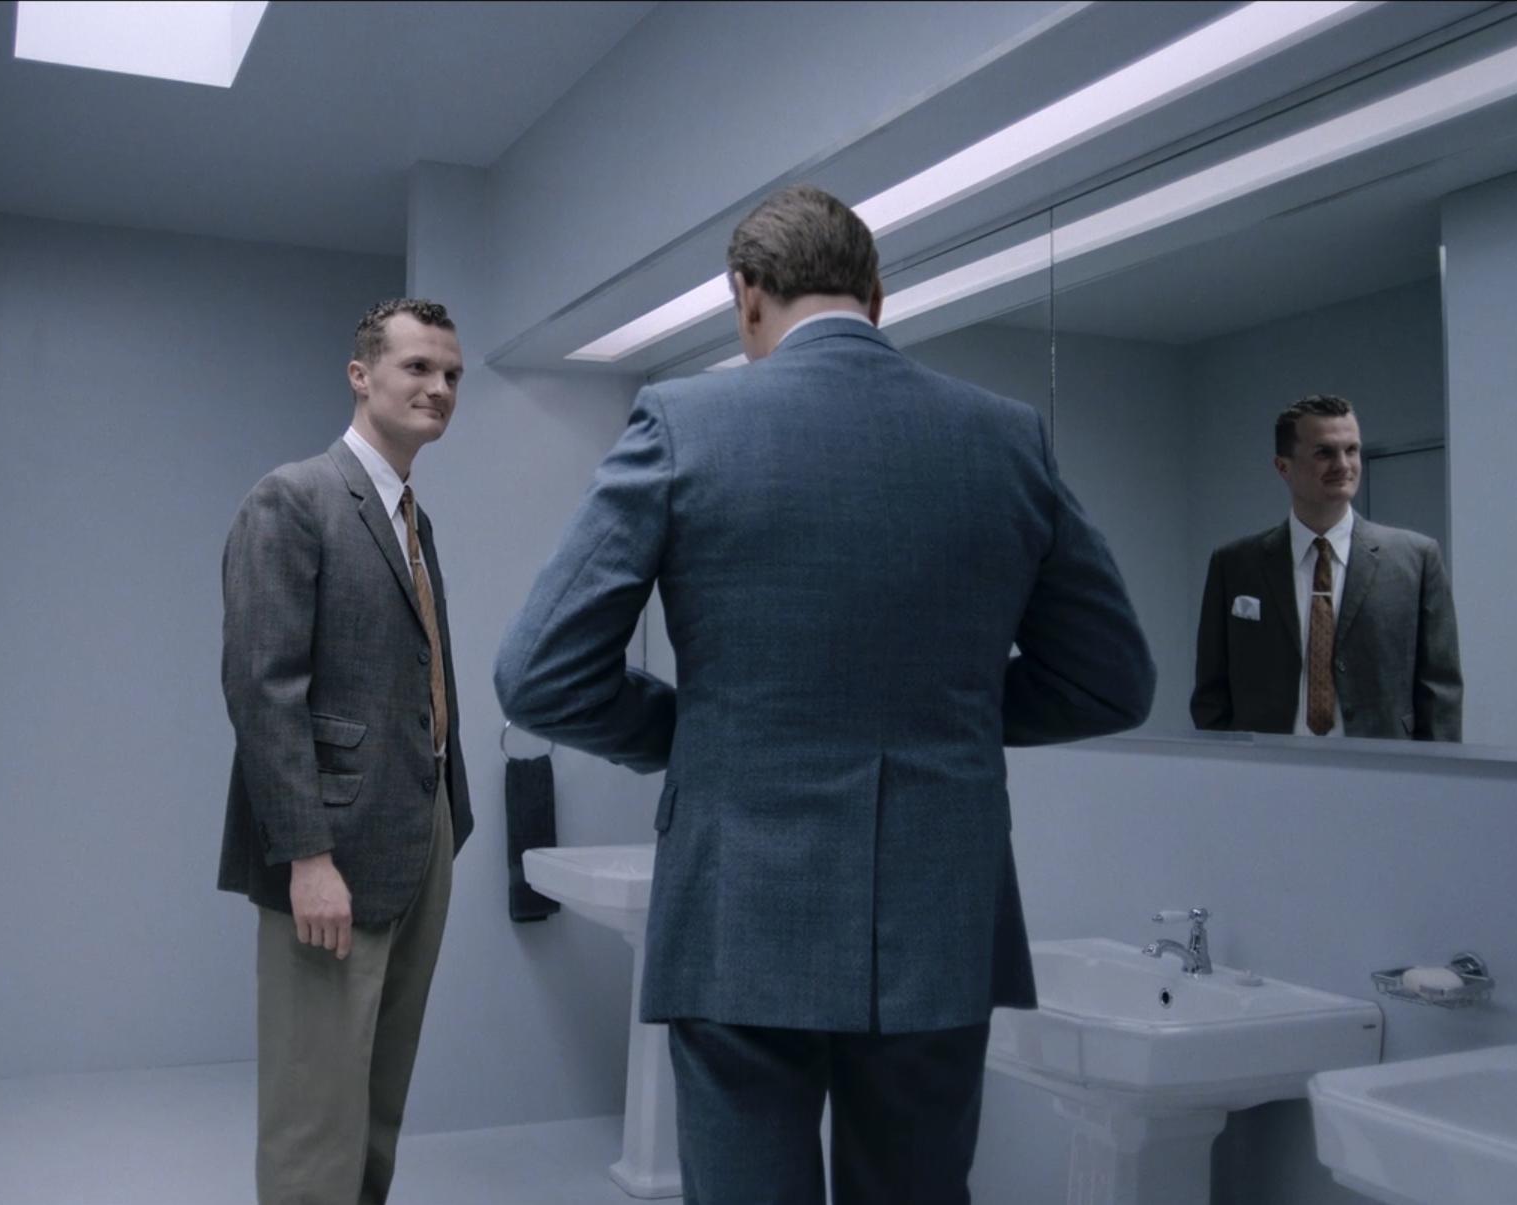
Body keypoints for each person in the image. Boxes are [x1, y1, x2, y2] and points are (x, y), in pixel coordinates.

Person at [494, 185, 1153, 1204]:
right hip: (939, 906)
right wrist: (952, 708)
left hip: (737, 906)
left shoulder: (683, 424)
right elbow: (1112, 680)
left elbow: (537, 672)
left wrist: (688, 729)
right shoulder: (1005, 436)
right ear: (876, 297)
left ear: (746, 295)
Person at [217, 298, 475, 1204]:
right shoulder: (293, 499)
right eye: (418, 367)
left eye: (452, 373)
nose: (439, 387)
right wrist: (307, 854)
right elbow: (263, 687)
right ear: (361, 375)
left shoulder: (412, 519)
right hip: (331, 849)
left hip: (422, 828)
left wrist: (445, 817)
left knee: (377, 1100)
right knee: (316, 1110)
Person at [1190, 394, 1462, 741]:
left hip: (1383, 764)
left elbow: (1440, 693)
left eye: (1352, 450)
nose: (1343, 465)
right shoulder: (1234, 565)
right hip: (1266, 766)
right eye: (1324, 452)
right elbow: (1211, 692)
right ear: (1283, 467)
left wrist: (1437, 770)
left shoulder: (1416, 560)